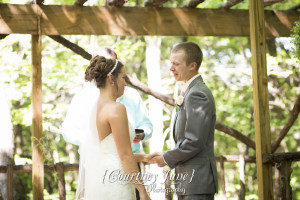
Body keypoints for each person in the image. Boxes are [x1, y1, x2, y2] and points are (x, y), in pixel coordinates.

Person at [147, 42, 218, 200]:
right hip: (190, 182)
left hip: (197, 182)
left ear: (192, 65)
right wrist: (167, 153)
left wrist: (166, 158)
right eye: (171, 63)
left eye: (176, 64)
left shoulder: (197, 93)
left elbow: (194, 140)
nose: (171, 68)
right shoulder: (190, 90)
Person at [75, 55, 150, 199]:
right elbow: (124, 155)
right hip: (117, 182)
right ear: (111, 78)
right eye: (123, 77)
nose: (125, 83)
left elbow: (110, 153)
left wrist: (144, 157)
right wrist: (142, 191)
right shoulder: (116, 108)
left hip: (103, 177)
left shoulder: (96, 108)